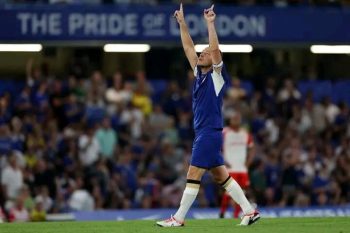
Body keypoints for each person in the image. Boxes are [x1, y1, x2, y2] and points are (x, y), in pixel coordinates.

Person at [156, 4, 259, 227]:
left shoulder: (216, 76)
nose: (201, 54)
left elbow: (214, 50)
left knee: (193, 172)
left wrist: (210, 24)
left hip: (209, 133)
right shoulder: (199, 75)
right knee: (222, 177)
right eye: (201, 54)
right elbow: (188, 48)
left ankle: (179, 218)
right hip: (205, 133)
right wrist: (182, 24)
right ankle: (250, 211)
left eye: (205, 54)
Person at [219, 112, 255, 218]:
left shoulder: (245, 133)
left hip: (242, 169)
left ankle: (235, 216)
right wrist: (223, 161)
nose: (236, 120)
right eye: (234, 118)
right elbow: (216, 147)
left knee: (242, 193)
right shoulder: (224, 132)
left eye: (238, 118)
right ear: (229, 121)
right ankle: (222, 213)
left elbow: (252, 148)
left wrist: (248, 162)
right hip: (230, 169)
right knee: (228, 193)